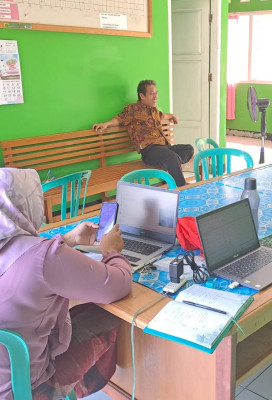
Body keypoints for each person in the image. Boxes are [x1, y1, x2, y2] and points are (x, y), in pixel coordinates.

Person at [0, 168, 132, 400]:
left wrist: (69, 240)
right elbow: (118, 286)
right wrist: (111, 250)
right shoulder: (44, 257)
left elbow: (29, 260)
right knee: (106, 315)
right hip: (28, 389)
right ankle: (71, 389)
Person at [93, 79, 194, 187]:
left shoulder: (154, 110)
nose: (155, 96)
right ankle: (181, 187)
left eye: (156, 93)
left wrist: (172, 116)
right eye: (151, 94)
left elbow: (163, 116)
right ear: (142, 96)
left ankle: (170, 163)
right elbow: (119, 119)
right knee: (172, 157)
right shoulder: (133, 109)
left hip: (165, 148)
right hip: (149, 151)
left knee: (189, 149)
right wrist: (106, 124)